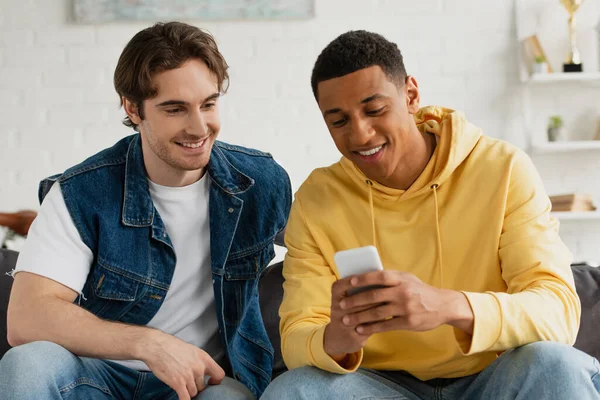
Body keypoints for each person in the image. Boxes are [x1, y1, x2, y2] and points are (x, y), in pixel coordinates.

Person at [262, 30, 600, 399]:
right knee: (292, 391)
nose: (360, 134)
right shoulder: (316, 199)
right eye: (339, 121)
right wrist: (334, 340)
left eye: (374, 110)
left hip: (493, 377)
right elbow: (296, 336)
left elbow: (558, 312)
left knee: (556, 366)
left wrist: (450, 307)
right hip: (380, 386)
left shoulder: (503, 169)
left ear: (411, 95)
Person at [0, 21, 291, 400]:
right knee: (26, 366)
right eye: (175, 109)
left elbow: (326, 244)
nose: (199, 127)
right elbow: (25, 319)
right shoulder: (81, 193)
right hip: (98, 376)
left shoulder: (259, 182)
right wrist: (149, 345)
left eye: (208, 104)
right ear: (133, 108)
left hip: (203, 382)